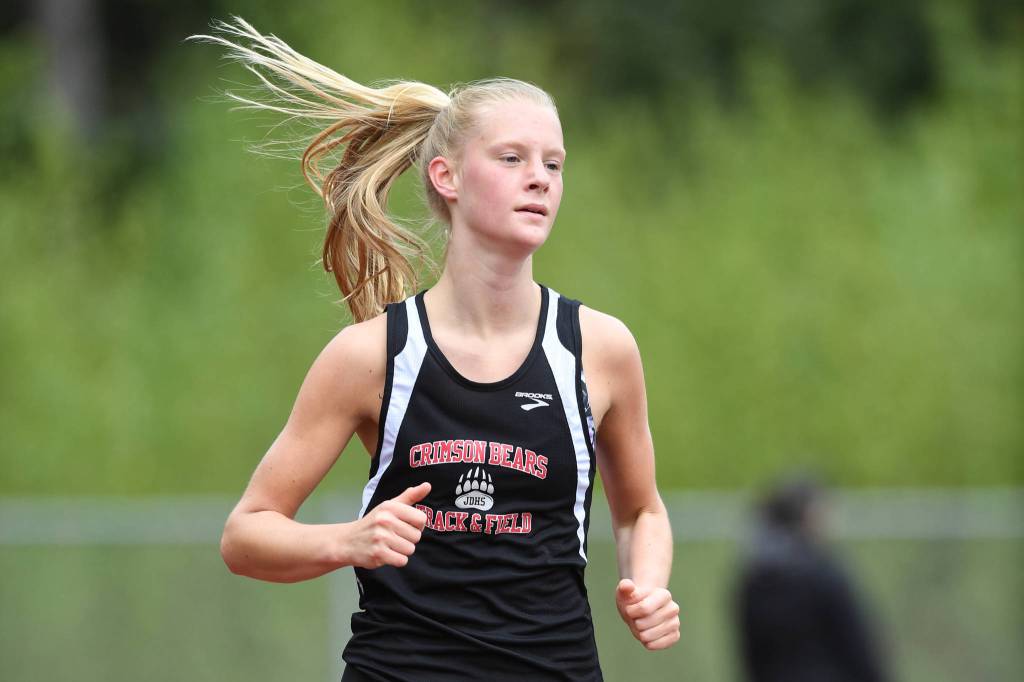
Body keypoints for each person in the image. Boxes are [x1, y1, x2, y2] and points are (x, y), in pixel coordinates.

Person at [188, 16, 679, 681]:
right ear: (447, 176)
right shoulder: (371, 355)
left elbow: (642, 510)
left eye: (553, 164)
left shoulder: (600, 348)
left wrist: (648, 584)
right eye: (512, 158)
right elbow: (246, 534)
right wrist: (347, 541)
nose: (540, 178)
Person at [733, 475, 890, 682]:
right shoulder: (822, 573)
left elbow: (750, 654)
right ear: (810, 515)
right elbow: (857, 645)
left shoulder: (754, 579)